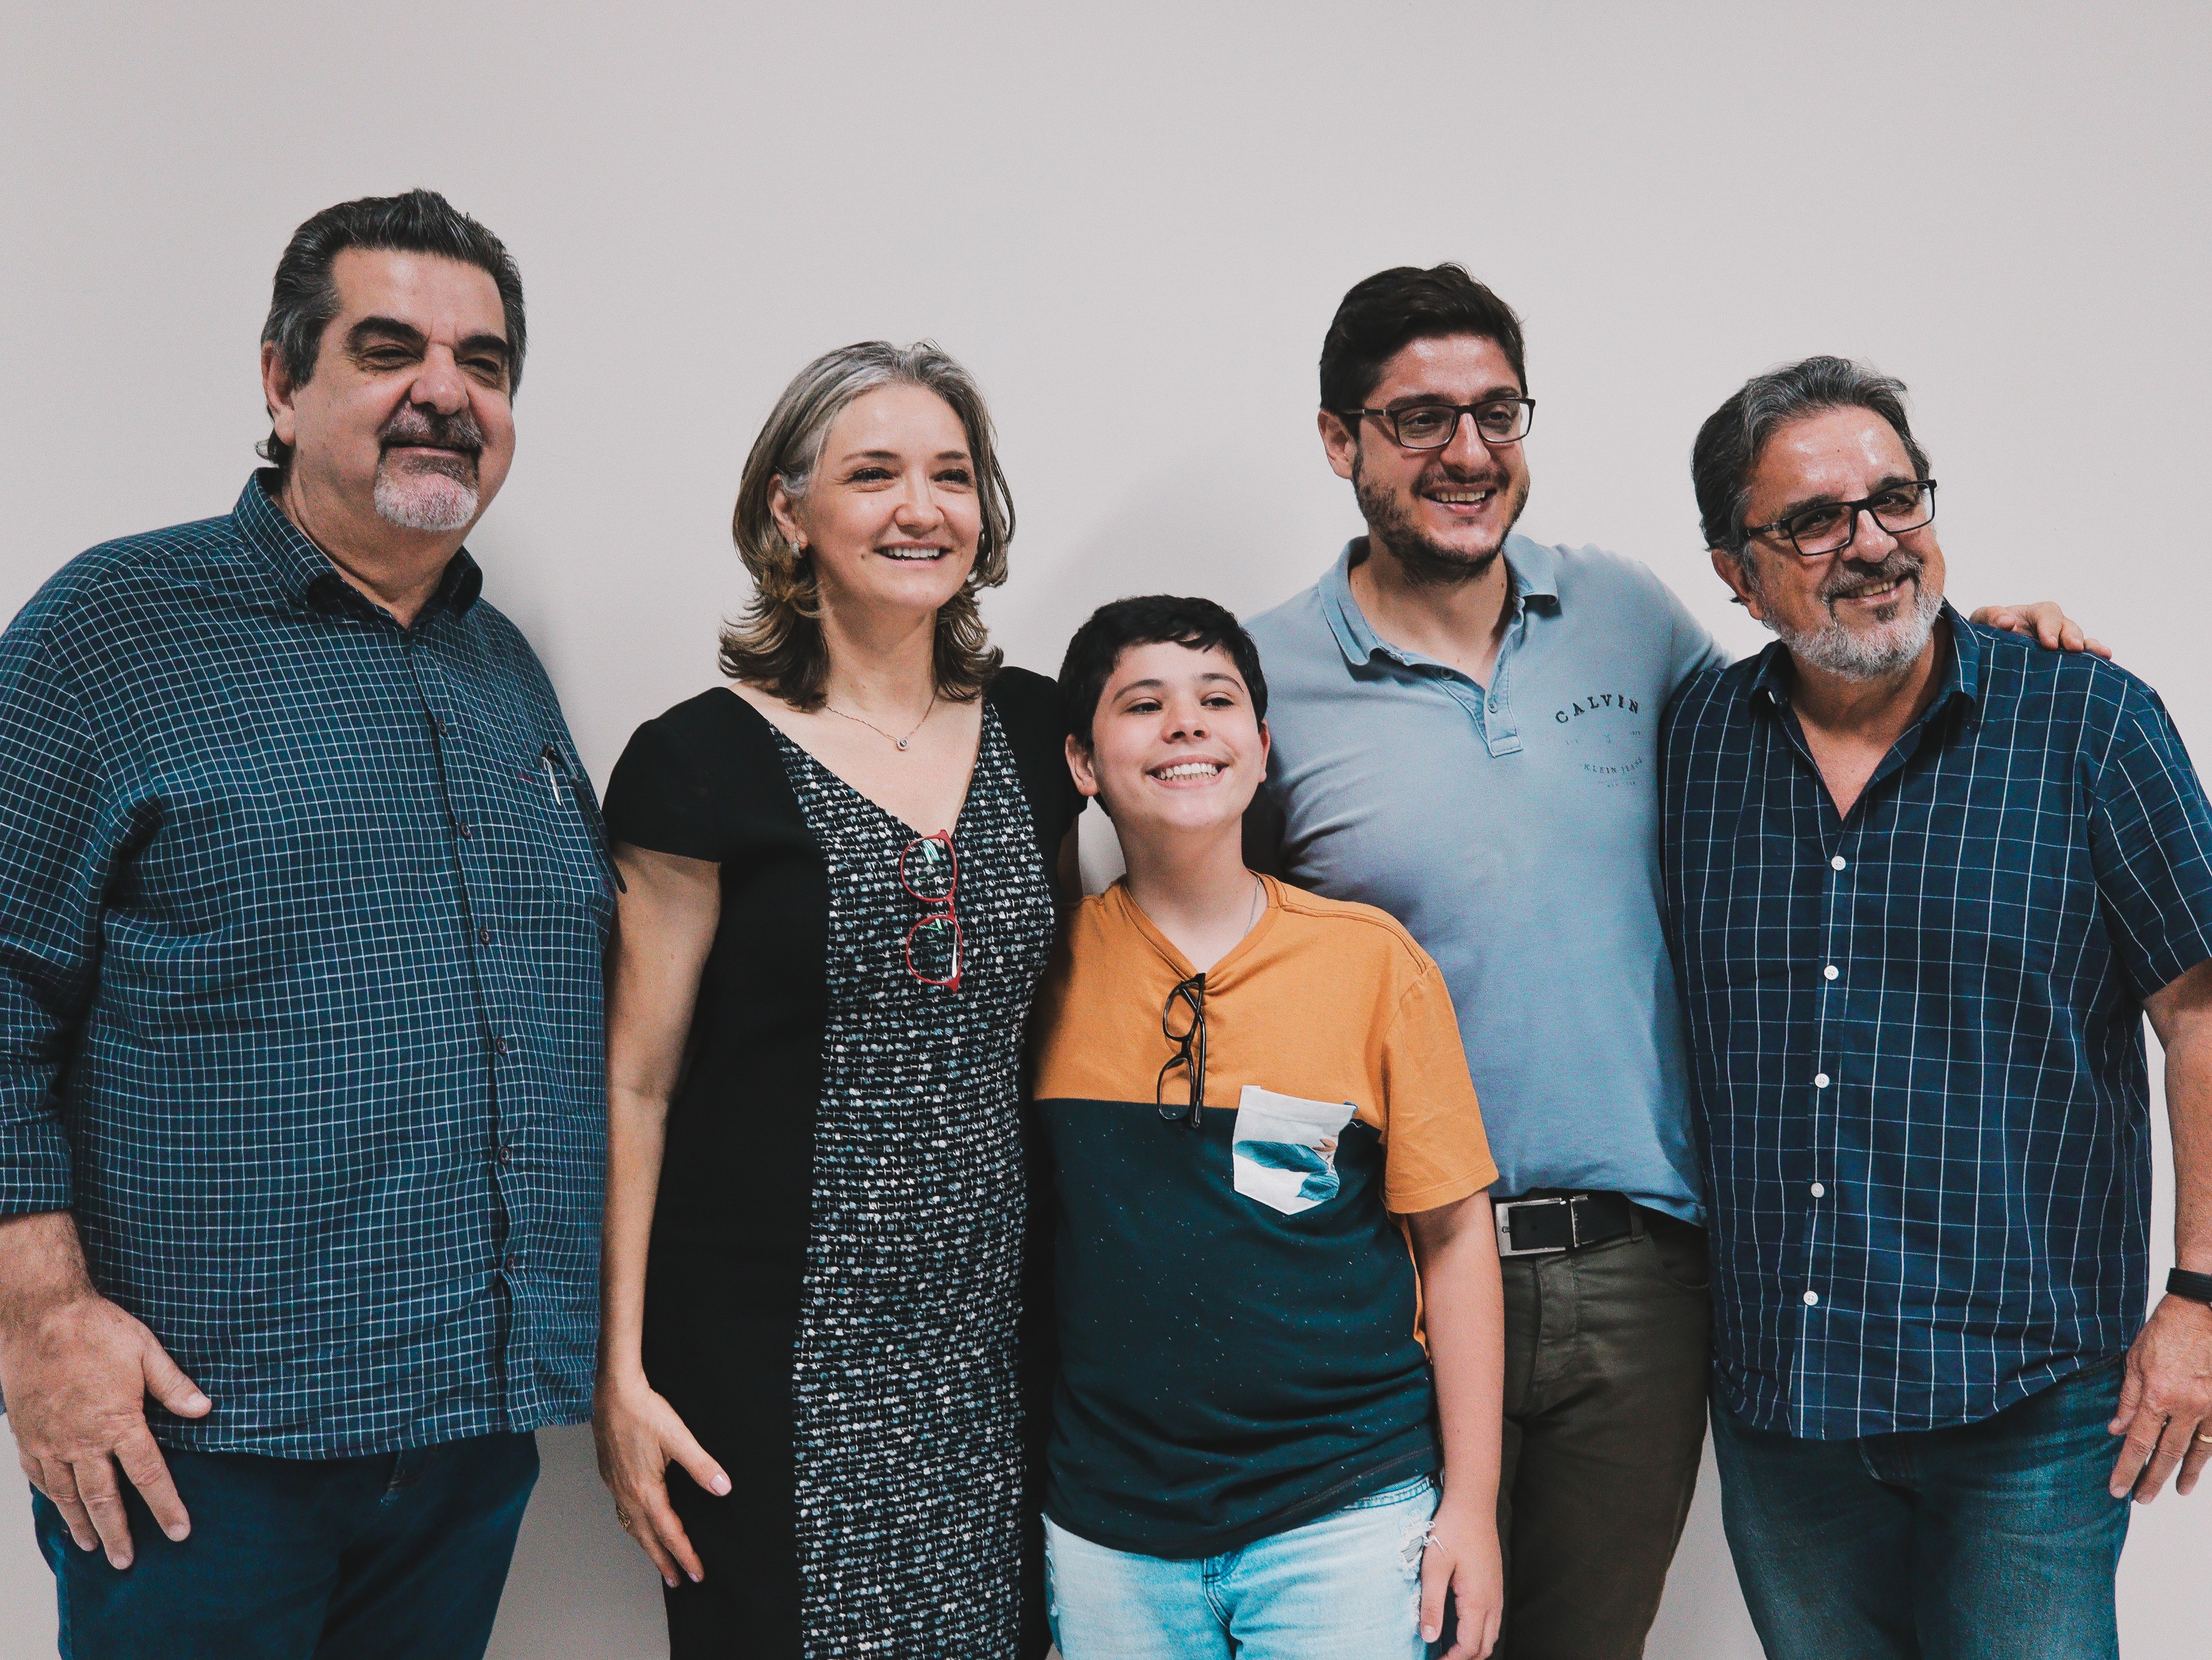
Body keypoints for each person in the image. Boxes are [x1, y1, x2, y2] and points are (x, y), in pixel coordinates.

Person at [1240, 263, 2099, 1657]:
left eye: (1495, 411)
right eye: (1418, 419)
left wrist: (1974, 646)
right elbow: (1229, 982)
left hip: (1637, 1280)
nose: (1466, 450)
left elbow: (1813, 688)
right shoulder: (1260, 679)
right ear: (1340, 441)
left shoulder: (1627, 618)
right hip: (1391, 1269)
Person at [0, 191, 610, 1659]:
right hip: (204, 1452)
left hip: (464, 1439)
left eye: (483, 364)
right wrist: (42, 1319)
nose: (444, 394)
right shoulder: (113, 630)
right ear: (282, 382)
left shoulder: (503, 671)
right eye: (389, 350)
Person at [1662, 355, 2212, 1660]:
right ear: (1735, 573)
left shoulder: (2086, 721)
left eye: (1894, 498)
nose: (1872, 542)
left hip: (2026, 1403)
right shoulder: (1690, 744)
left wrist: (2198, 1295)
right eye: (1814, 520)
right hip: (1783, 1405)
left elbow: (2199, 1012)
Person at [592, 341, 1080, 1659]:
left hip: (996, 1338)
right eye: (874, 475)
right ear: (787, 511)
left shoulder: (1043, 733)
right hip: (767, 1349)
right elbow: (635, 1082)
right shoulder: (695, 762)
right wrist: (617, 1373)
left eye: (951, 476)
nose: (921, 509)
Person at [1031, 596, 1506, 1659]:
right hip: (1110, 1527)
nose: (1185, 724)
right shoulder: (1044, 970)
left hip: (1345, 1508)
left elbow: (1454, 1237)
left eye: (1217, 700)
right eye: (1142, 704)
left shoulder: (1370, 962)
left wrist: (1471, 1506)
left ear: (1260, 746)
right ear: (1082, 762)